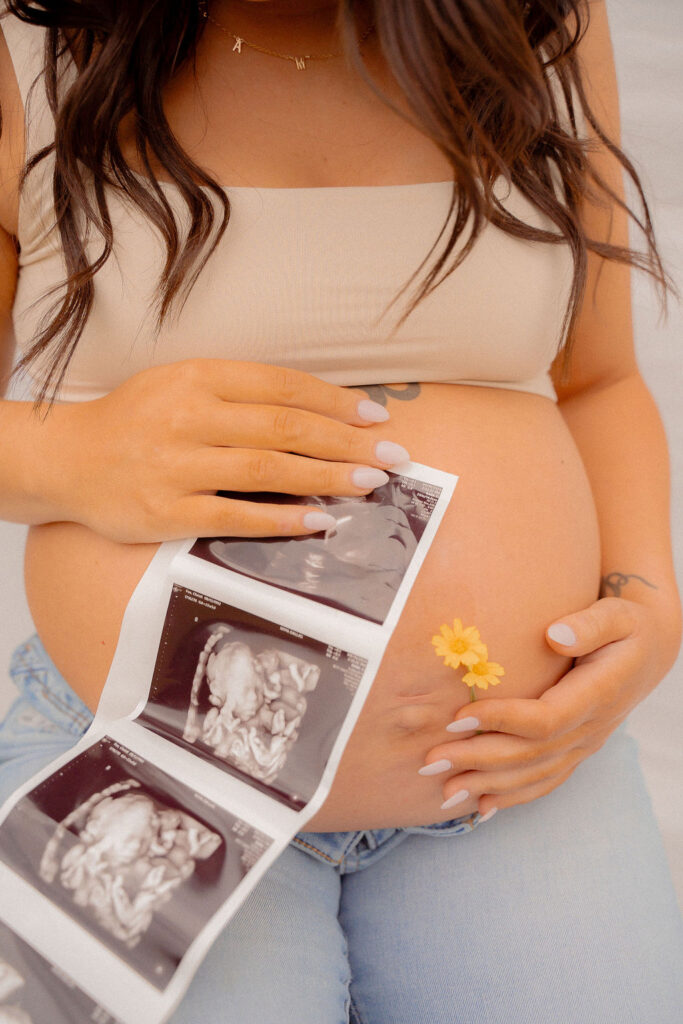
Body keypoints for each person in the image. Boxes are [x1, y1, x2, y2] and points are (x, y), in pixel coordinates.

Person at [0, 0, 681, 1020]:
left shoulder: (535, 21)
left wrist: (648, 599)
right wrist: (74, 452)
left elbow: (597, 382)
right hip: (146, 773)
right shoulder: (30, 44)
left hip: (511, 770)